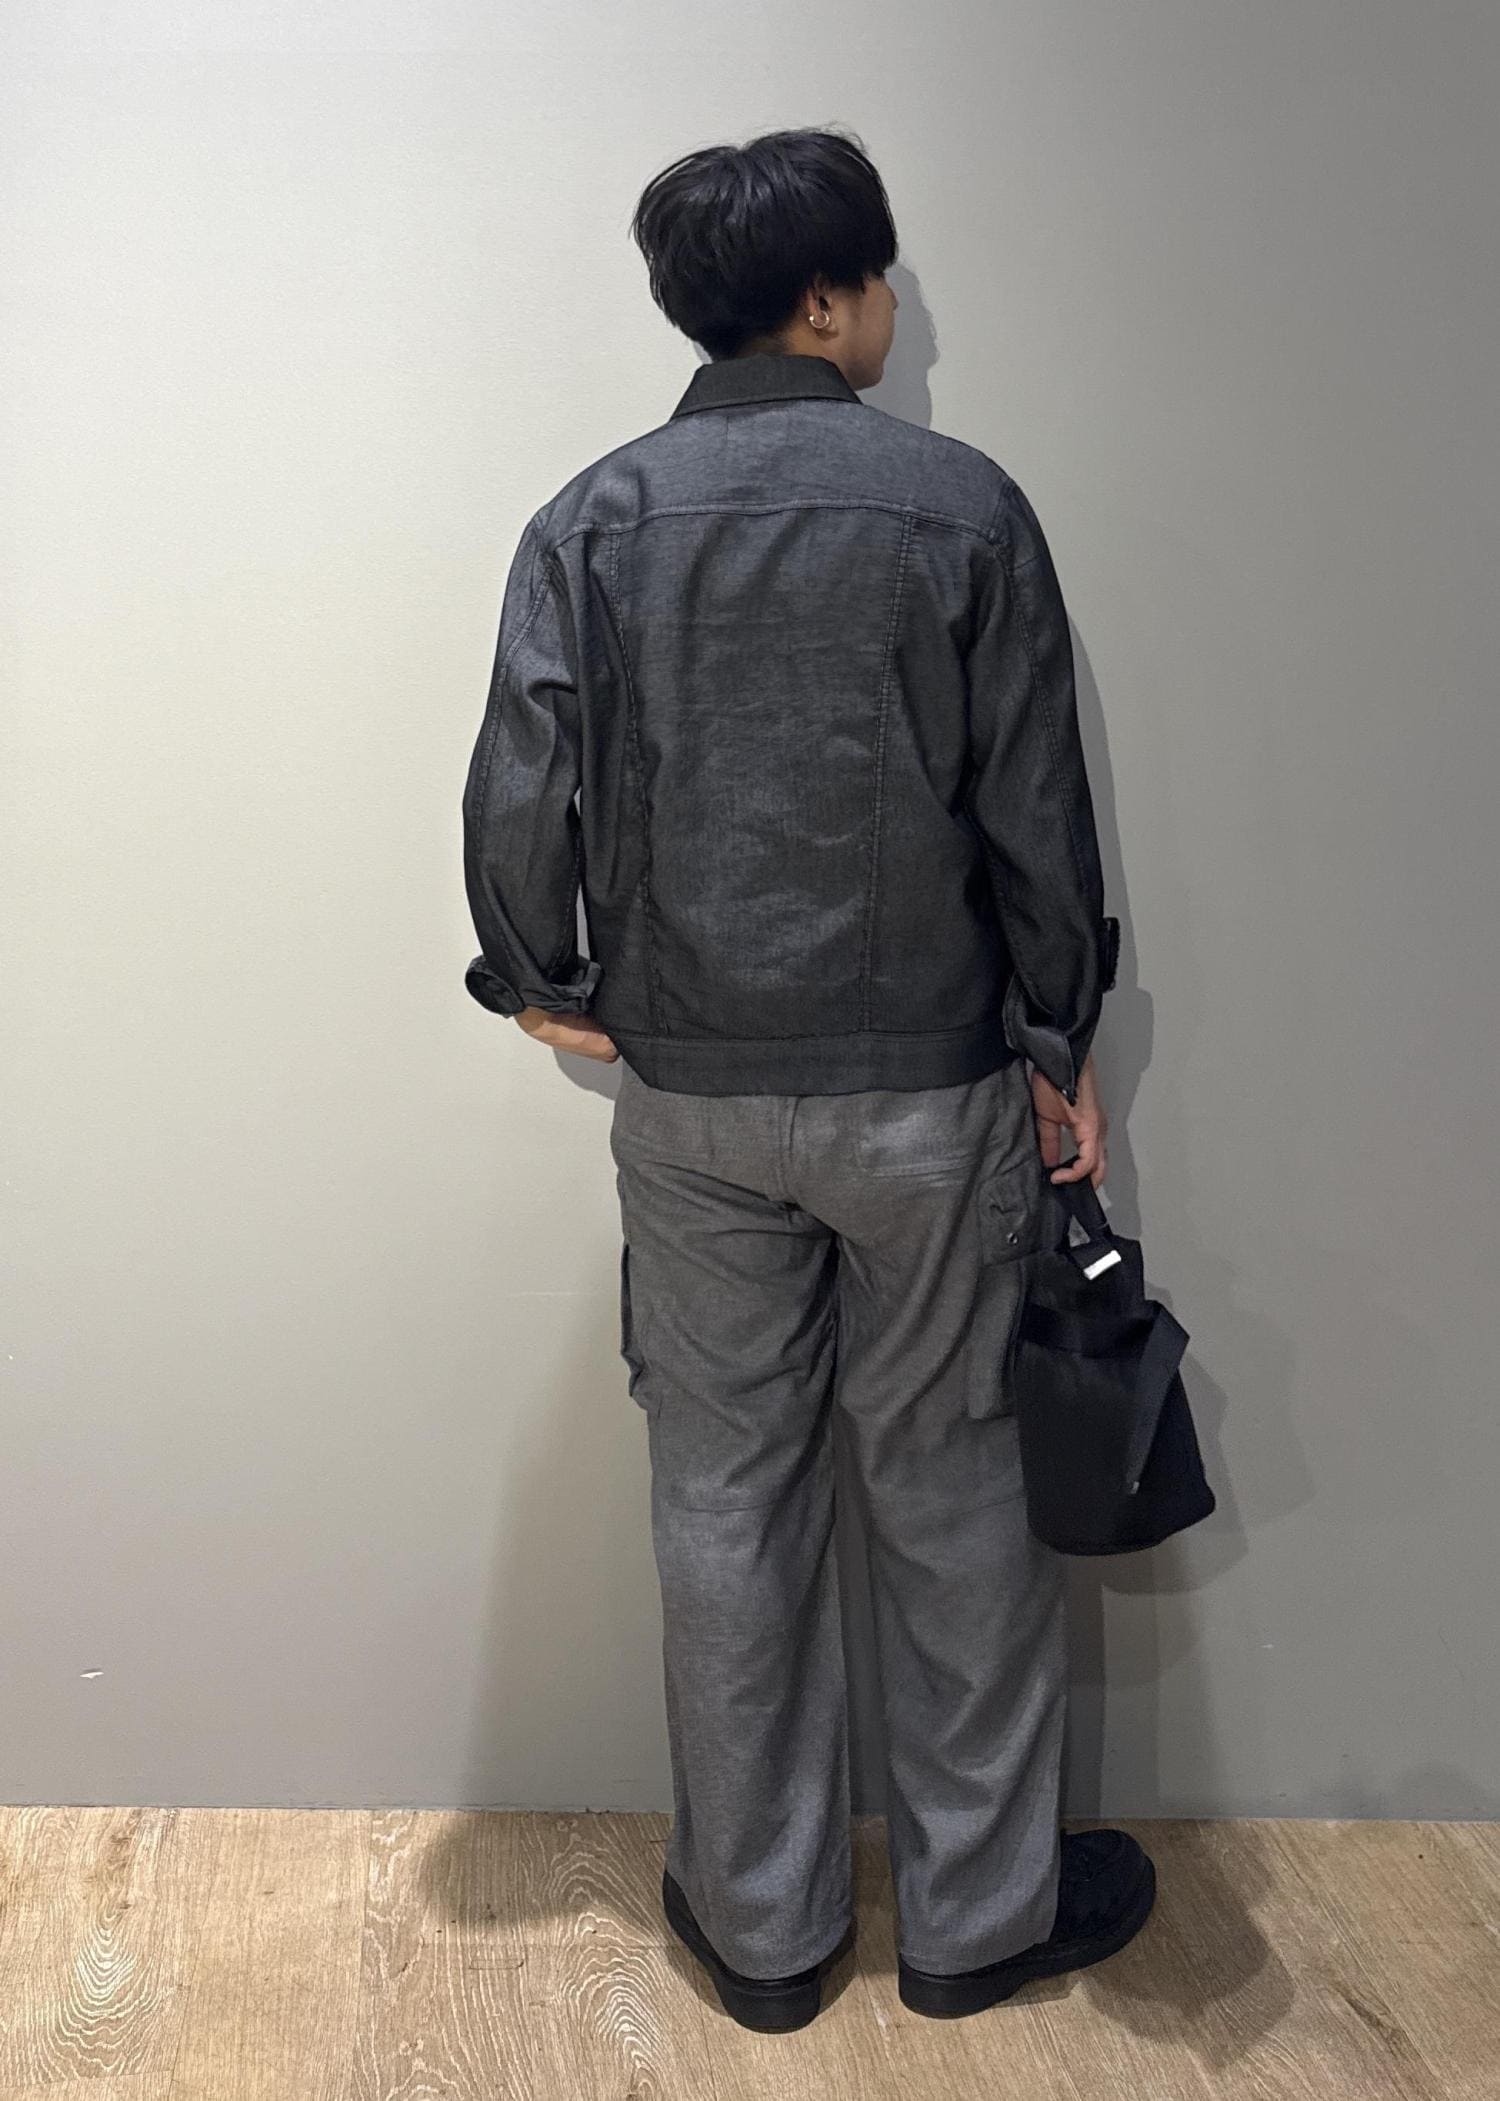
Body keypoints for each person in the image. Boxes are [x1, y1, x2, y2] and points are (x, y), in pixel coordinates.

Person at [460, 125, 1153, 2031]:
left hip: (692, 1106)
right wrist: (1058, 1033)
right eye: (886, 279)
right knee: (955, 1485)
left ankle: (761, 1934)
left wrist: (539, 976)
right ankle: (978, 1919)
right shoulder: (963, 508)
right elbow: (1034, 808)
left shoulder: (590, 519)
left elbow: (520, 779)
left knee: (721, 1493)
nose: (897, 308)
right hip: (929, 1098)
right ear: (831, 298)